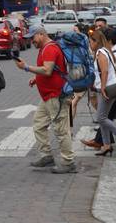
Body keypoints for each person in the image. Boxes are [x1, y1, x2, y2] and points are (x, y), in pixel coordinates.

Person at [15, 25, 77, 174]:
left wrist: (26, 67)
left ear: (41, 34)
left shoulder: (49, 48)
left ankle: (68, 162)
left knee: (61, 129)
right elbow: (51, 70)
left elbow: (47, 70)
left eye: (33, 38)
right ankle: (46, 155)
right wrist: (36, 79)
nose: (32, 41)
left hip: (55, 95)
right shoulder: (46, 48)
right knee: (39, 124)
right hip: (49, 96)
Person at [89, 30, 116, 157]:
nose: (90, 45)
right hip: (107, 87)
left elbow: (104, 71)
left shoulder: (101, 52)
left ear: (96, 41)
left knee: (101, 118)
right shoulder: (106, 51)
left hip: (107, 88)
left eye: (91, 42)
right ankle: (106, 145)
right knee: (103, 117)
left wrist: (103, 87)